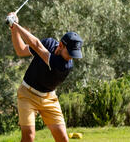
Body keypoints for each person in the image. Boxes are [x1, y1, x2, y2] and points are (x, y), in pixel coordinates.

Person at [7, 12, 83, 142]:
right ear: (60, 45)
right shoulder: (48, 43)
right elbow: (20, 50)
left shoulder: (64, 65)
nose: (70, 57)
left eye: (73, 55)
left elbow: (36, 44)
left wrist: (16, 24)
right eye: (69, 53)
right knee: (29, 137)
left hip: (49, 99)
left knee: (63, 139)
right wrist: (13, 29)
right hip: (27, 95)